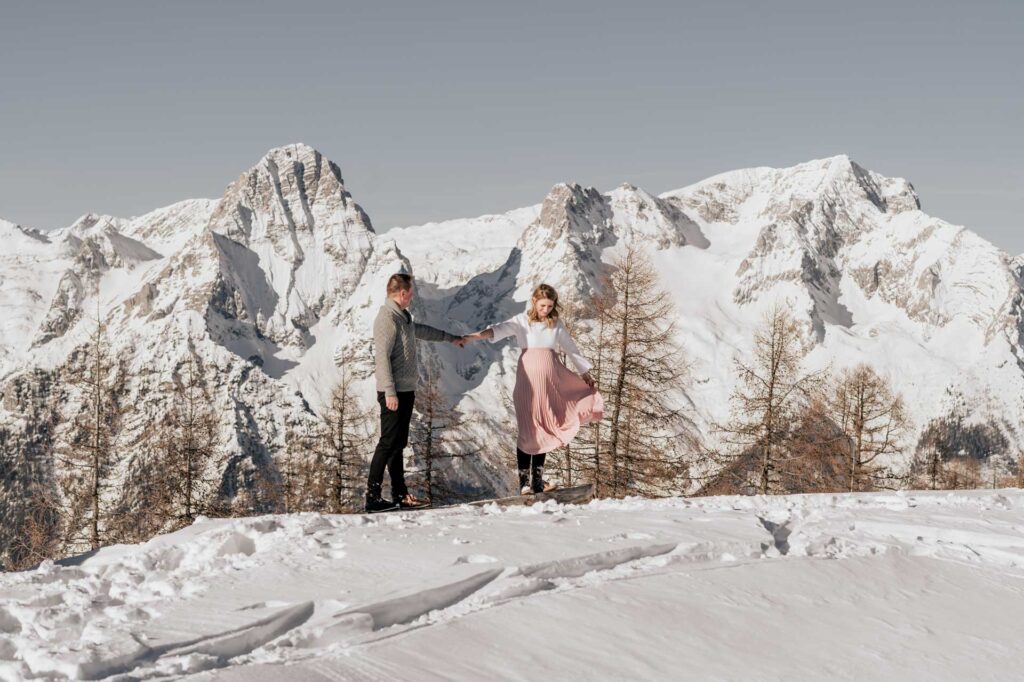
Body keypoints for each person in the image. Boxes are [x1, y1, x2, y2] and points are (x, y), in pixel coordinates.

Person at [463, 284, 603, 495]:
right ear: (534, 302)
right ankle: (524, 483)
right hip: (527, 383)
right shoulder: (521, 321)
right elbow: (498, 329)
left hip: (549, 384)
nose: (545, 309)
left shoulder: (555, 324)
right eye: (542, 305)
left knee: (543, 429)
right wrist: (474, 337)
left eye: (549, 306)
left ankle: (537, 482)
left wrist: (584, 373)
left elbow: (571, 348)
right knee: (528, 430)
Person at [367, 272, 465, 512]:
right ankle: (372, 497)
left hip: (405, 390)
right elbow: (381, 358)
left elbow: (421, 331)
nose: (412, 297)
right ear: (402, 294)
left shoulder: (403, 317)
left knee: (397, 444)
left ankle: (400, 495)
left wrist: (450, 338)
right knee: (387, 443)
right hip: (394, 392)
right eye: (411, 293)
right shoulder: (387, 319)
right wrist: (389, 392)